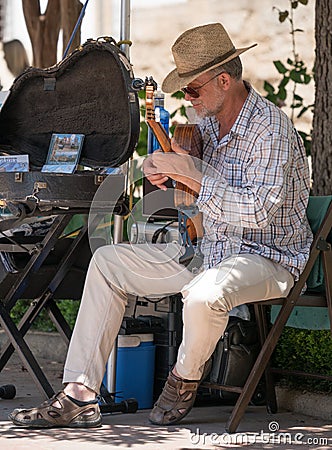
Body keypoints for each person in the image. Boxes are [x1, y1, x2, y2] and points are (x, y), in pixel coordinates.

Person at [9, 22, 312, 428]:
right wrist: (170, 171)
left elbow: (259, 213)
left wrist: (197, 175)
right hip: (211, 252)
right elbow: (192, 187)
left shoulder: (270, 130)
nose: (187, 98)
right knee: (107, 263)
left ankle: (183, 380)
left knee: (204, 294)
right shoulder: (207, 123)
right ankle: (80, 395)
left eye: (193, 89)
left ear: (224, 80)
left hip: (269, 258)